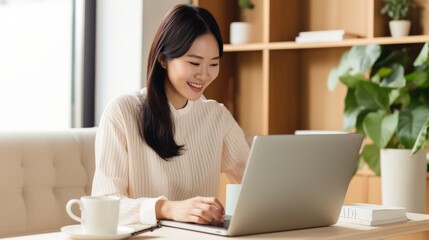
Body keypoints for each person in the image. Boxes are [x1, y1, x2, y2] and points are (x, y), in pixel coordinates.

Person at [91, 4, 250, 226]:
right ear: (164, 59)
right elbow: (104, 205)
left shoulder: (217, 116)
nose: (204, 75)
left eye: (213, 64)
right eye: (194, 62)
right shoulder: (122, 112)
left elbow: (255, 184)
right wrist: (168, 208)